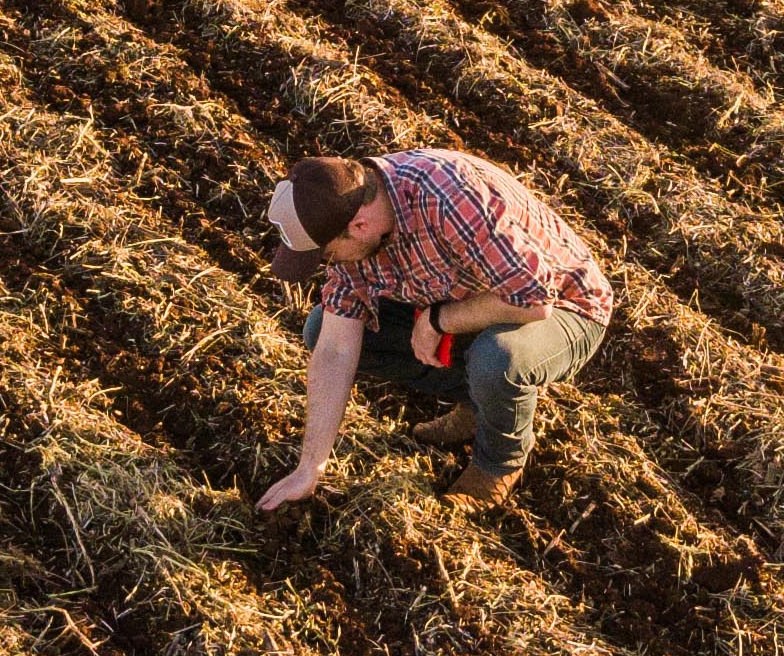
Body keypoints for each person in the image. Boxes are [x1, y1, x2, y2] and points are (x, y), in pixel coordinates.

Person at [260, 148, 614, 514]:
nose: (330, 264)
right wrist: (309, 468)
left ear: (359, 226)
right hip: (474, 298)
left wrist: (438, 321)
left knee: (497, 360)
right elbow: (335, 348)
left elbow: (534, 300)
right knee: (319, 328)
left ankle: (499, 463)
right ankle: (478, 402)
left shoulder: (449, 199)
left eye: (329, 255)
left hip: (563, 305)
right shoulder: (350, 217)